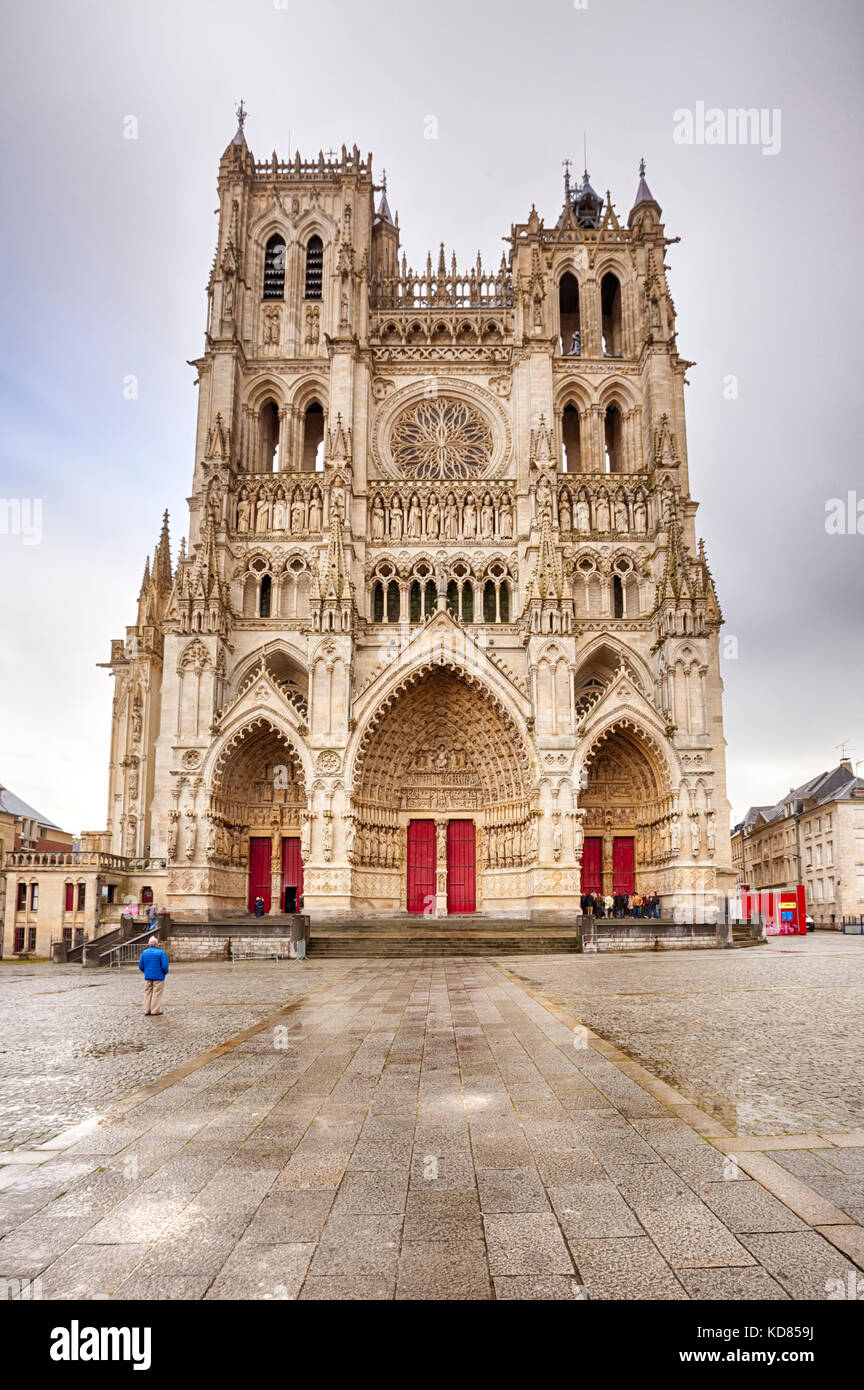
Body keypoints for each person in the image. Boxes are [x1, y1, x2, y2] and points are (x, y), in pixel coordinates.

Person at [138, 936, 169, 1017]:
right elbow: (165, 966)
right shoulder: (161, 953)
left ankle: (146, 1010)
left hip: (148, 976)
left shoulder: (144, 952)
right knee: (157, 993)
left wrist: (146, 972)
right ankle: (155, 1010)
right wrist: (164, 973)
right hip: (158, 977)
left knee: (147, 992)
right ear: (157, 944)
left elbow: (140, 965)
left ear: (149, 944)